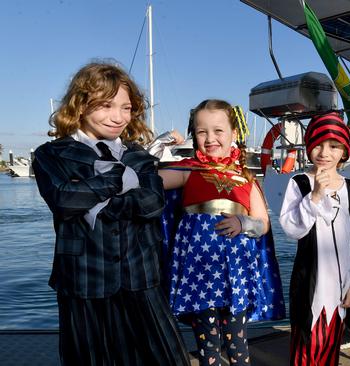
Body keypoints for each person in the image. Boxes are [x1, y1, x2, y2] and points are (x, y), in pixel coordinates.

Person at [32, 61, 190, 365]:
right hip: (84, 282)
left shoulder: (139, 155)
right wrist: (121, 179)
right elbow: (64, 199)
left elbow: (152, 203)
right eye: (106, 105)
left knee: (168, 358)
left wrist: (92, 193)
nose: (118, 117)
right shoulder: (50, 155)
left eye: (126, 108)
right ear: (80, 105)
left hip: (142, 278)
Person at [158, 99, 284, 366]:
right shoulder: (188, 169)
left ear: (234, 134)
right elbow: (147, 179)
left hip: (236, 274)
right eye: (202, 131)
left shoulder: (246, 178)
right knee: (208, 345)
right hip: (199, 274)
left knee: (238, 343)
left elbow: (263, 223)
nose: (210, 138)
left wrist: (243, 223)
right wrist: (163, 141)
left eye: (218, 130)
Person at [279, 112, 350, 365]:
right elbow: (292, 228)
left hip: (340, 290)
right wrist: (316, 195)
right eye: (318, 144)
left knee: (331, 351)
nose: (324, 152)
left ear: (344, 151)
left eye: (333, 146)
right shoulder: (300, 183)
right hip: (310, 286)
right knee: (305, 349)